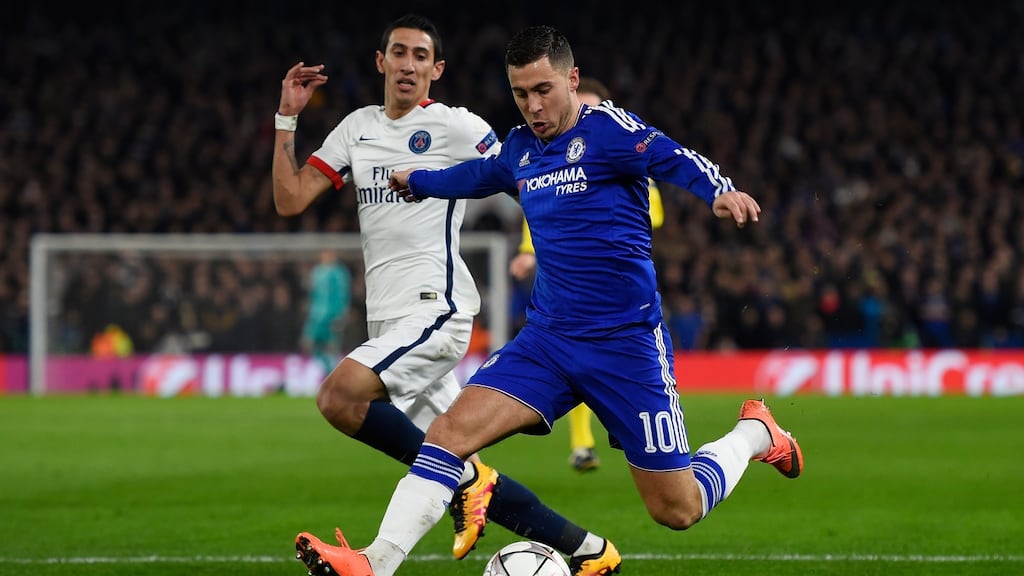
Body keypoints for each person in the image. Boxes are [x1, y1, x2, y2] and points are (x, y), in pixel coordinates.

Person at [294, 23, 804, 576]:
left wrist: (720, 191)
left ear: (572, 80)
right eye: (521, 94)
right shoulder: (519, 148)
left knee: (676, 509)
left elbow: (671, 155)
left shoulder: (608, 130)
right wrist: (418, 182)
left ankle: (755, 434)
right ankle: (374, 562)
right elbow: (475, 176)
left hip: (626, 347)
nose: (533, 106)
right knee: (447, 435)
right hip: (547, 343)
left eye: (543, 90)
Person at [272, 14, 619, 576]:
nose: (408, 65)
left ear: (436, 69)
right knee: (451, 458)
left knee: (338, 397)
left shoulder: (456, 126)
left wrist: (565, 240)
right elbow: (290, 199)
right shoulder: (355, 129)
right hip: (388, 320)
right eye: (399, 53)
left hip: (437, 310)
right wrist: (287, 116)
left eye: (420, 56)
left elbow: (526, 173)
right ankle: (590, 551)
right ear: (381, 61)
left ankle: (377, 561)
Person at [508, 76, 664, 473]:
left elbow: (653, 213)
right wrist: (528, 251)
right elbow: (539, 209)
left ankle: (624, 419)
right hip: (566, 284)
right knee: (572, 355)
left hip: (621, 283)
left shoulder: (622, 155)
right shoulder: (550, 161)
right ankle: (582, 444)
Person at [301, 250, 353, 374]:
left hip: (332, 317)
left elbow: (344, 295)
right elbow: (313, 295)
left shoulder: (339, 273)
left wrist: (342, 316)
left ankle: (332, 371)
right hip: (316, 317)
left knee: (332, 348)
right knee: (309, 345)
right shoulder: (317, 271)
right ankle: (326, 369)